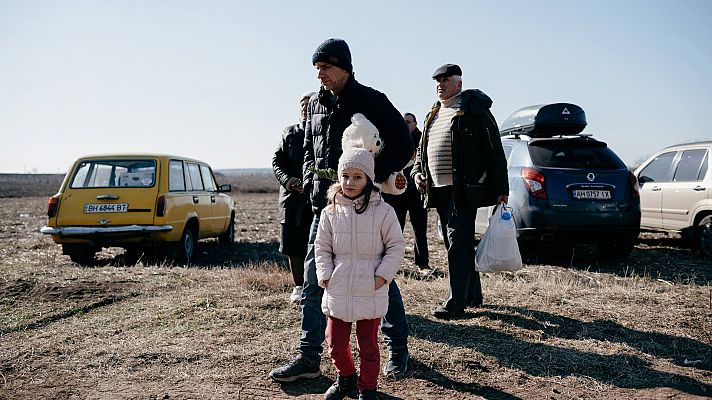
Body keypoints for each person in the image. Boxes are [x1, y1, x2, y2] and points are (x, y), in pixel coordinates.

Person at [269, 38, 414, 383]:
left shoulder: (372, 101)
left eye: (326, 68)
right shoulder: (316, 104)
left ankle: (398, 349)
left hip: (366, 209)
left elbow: (404, 145)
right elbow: (309, 147)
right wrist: (309, 180)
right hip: (325, 207)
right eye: (317, 69)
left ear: (345, 68)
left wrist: (371, 177)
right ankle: (307, 357)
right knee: (314, 282)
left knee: (380, 281)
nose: (320, 75)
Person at [412, 64, 509, 320]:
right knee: (456, 243)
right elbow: (422, 152)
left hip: (463, 190)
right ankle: (473, 295)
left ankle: (456, 302)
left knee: (457, 244)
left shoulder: (474, 110)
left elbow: (494, 150)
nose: (440, 84)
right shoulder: (432, 113)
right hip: (438, 190)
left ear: (459, 83)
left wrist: (501, 189)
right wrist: (418, 173)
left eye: (445, 80)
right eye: (437, 81)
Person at [316, 147, 405, 400]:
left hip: (370, 287)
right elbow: (321, 246)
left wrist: (381, 277)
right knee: (335, 343)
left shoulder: (383, 211)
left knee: (368, 345)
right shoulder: (330, 212)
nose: (350, 182)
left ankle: (367, 388)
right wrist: (325, 275)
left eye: (357, 177)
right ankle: (346, 379)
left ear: (368, 179)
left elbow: (396, 246)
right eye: (345, 176)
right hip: (339, 287)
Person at [272, 92, 316, 303]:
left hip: (316, 198)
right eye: (302, 104)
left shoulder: (321, 131)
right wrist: (289, 180)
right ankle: (298, 286)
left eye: (309, 104)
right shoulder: (289, 133)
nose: (305, 108)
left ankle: (316, 285)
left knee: (318, 243)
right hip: (291, 198)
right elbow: (276, 161)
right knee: (294, 245)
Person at [382, 113, 431, 277]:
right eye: (404, 122)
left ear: (415, 124)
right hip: (397, 192)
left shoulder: (423, 140)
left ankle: (422, 263)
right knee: (396, 230)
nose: (406, 125)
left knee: (420, 229)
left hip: (417, 192)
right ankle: (393, 263)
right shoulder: (395, 139)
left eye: (409, 122)